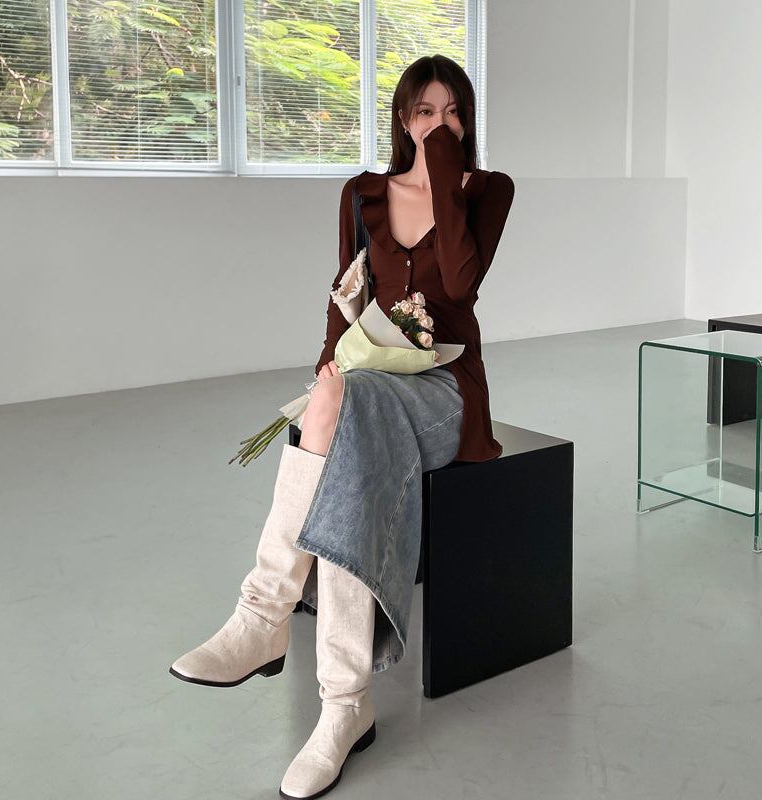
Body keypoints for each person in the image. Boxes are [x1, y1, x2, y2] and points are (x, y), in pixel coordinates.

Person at [168, 54, 515, 800]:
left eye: (454, 112)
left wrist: (441, 165)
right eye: (425, 112)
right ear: (401, 117)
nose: (441, 124)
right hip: (365, 385)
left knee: (352, 417)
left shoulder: (487, 190)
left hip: (446, 390)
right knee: (347, 424)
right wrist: (326, 376)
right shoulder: (362, 193)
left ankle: (266, 625)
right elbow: (344, 298)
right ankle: (338, 699)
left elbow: (460, 284)